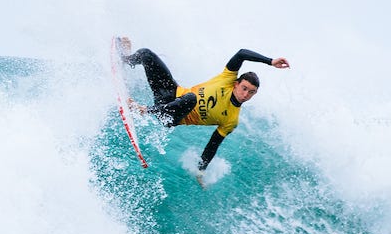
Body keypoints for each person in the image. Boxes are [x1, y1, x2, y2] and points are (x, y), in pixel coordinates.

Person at [119, 37, 290, 176]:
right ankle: (125, 59)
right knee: (147, 54)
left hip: (170, 116)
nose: (246, 94)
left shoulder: (231, 119)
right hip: (170, 91)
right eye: (244, 88)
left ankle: (143, 110)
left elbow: (212, 145)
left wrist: (201, 171)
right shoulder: (226, 79)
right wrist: (270, 61)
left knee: (192, 98)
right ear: (236, 84)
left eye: (251, 92)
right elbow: (242, 53)